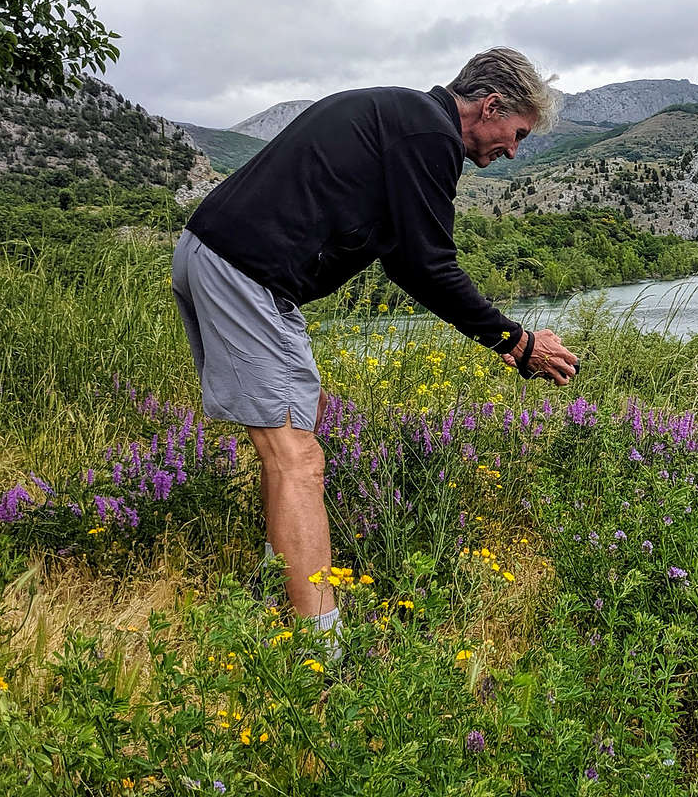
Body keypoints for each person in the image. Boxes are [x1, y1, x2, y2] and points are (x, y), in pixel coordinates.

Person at [171, 47, 578, 647]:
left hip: (213, 255)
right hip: (244, 271)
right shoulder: (428, 137)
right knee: (299, 458)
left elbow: (402, 256)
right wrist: (516, 343)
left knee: (290, 434)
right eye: (515, 134)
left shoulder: (404, 119)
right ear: (490, 106)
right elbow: (429, 266)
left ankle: (277, 584)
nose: (513, 151)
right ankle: (321, 648)